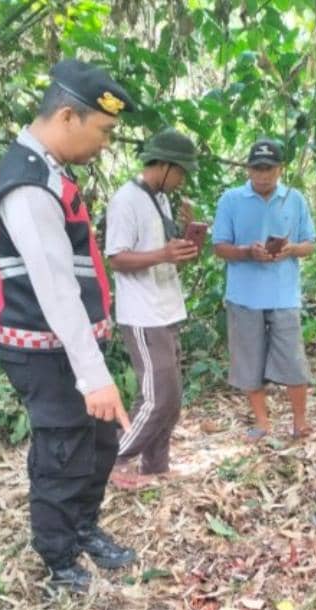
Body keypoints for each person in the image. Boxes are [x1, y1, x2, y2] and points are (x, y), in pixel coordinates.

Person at [0, 59, 138, 593]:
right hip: (45, 350)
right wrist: (93, 375)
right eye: (104, 130)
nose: (106, 143)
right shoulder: (27, 183)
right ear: (69, 116)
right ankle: (58, 560)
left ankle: (81, 529)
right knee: (63, 450)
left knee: (97, 444)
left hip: (70, 347)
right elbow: (54, 288)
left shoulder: (49, 171)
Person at [104, 128, 199, 489]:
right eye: (180, 171)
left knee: (171, 398)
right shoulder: (126, 200)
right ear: (163, 166)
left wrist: (186, 238)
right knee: (156, 397)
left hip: (166, 307)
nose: (182, 179)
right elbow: (117, 257)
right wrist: (163, 253)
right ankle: (112, 461)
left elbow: (165, 257)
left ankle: (155, 464)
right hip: (143, 313)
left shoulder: (159, 199)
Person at [212, 138, 316, 440]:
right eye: (257, 168)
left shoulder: (294, 199)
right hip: (244, 295)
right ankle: (262, 422)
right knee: (248, 361)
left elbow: (310, 243)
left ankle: (300, 423)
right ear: (248, 169)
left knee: (293, 360)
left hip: (284, 294)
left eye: (269, 168)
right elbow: (220, 247)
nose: (263, 175)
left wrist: (293, 249)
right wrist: (248, 252)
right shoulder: (231, 200)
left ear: (280, 169)